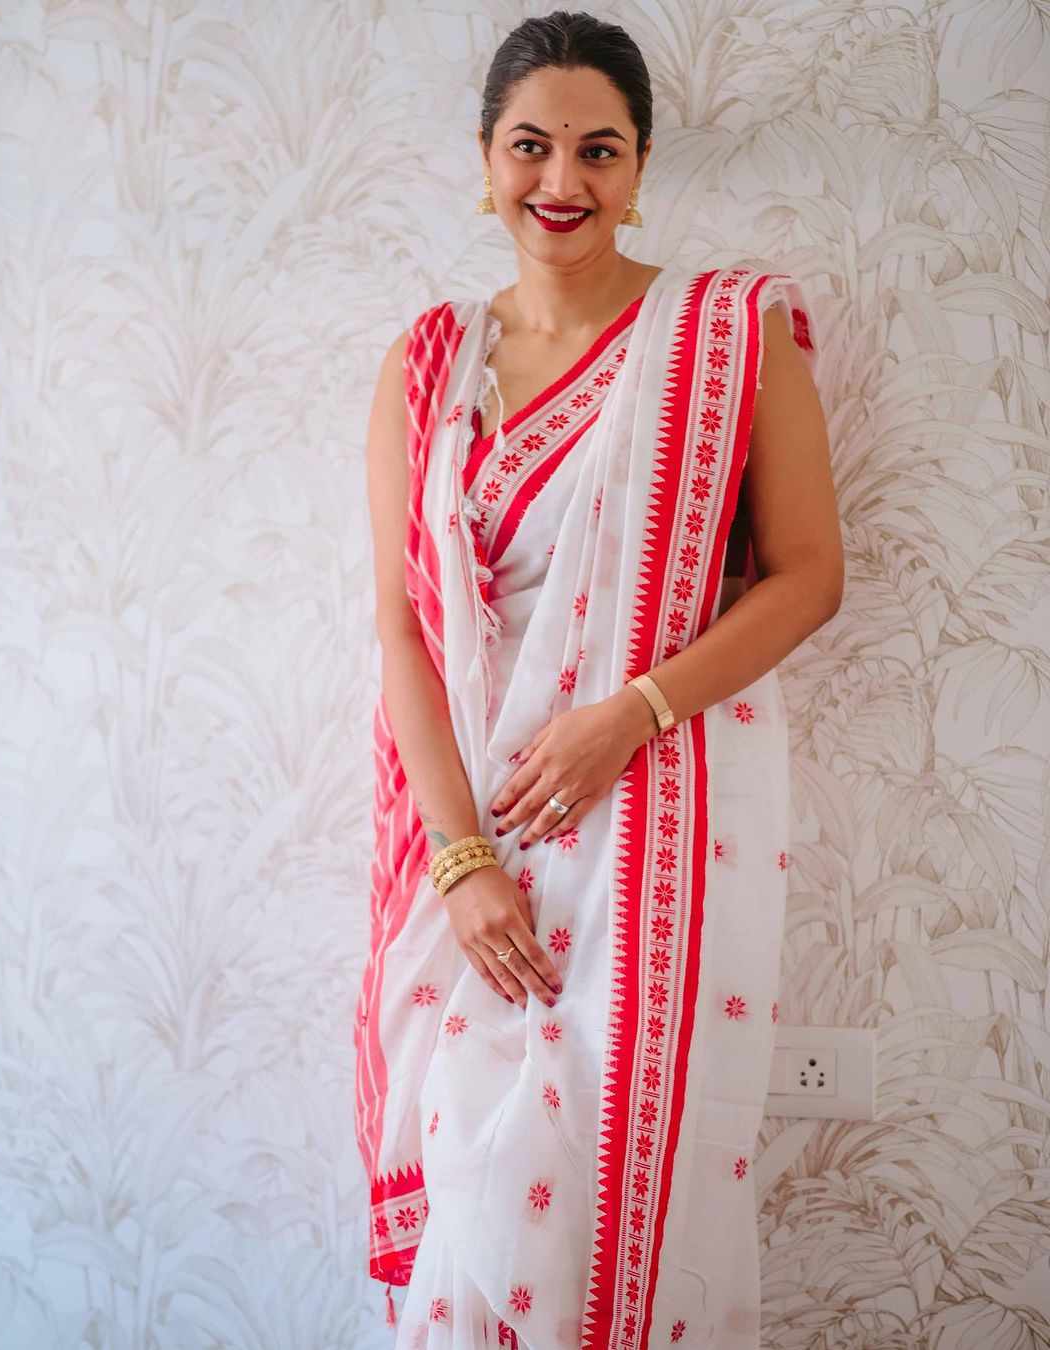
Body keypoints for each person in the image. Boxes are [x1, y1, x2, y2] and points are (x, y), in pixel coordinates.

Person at [353, 10, 842, 1348]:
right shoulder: (428, 364)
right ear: (485, 155)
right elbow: (403, 626)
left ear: (638, 167)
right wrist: (462, 862)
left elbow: (808, 573)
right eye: (531, 146)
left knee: (620, 1181)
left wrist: (629, 715)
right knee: (476, 1197)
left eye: (597, 149)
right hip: (475, 834)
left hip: (649, 834)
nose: (559, 183)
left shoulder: (728, 339)